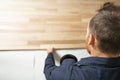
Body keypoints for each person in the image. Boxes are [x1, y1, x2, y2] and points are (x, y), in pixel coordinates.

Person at [44, 2, 120, 80]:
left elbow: (48, 71)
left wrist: (50, 53)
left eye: (87, 32)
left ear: (91, 39)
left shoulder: (67, 75)